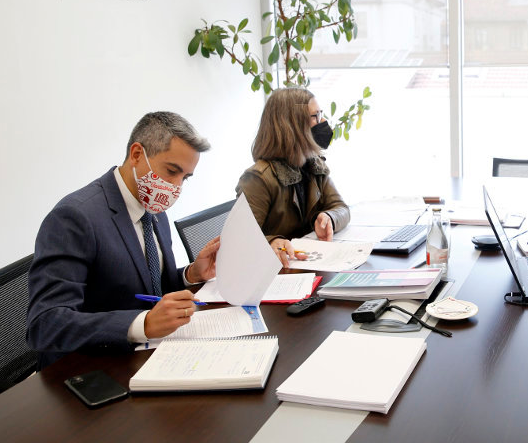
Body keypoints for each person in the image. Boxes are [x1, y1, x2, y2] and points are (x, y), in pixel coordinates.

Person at [27, 112, 220, 368]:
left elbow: (148, 287)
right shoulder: (75, 217)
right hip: (88, 368)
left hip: (148, 356)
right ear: (137, 154)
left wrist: (191, 274)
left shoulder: (154, 208)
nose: (175, 187)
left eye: (184, 178)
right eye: (172, 171)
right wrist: (143, 324)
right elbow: (46, 324)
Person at [236, 87, 350, 266]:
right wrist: (273, 242)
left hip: (309, 263)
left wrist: (329, 217)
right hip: (277, 272)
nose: (323, 122)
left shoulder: (314, 165)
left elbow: (341, 208)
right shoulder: (258, 178)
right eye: (315, 117)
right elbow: (241, 240)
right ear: (293, 126)